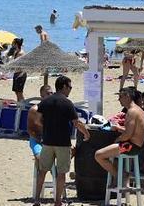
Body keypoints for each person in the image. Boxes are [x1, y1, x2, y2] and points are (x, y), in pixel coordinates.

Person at [36, 76, 90, 206]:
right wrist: (86, 133)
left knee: (42, 171)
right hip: (62, 143)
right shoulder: (67, 103)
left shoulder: (45, 101)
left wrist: (48, 127)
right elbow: (76, 123)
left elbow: (38, 120)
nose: (70, 90)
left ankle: (37, 199)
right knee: (61, 173)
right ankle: (58, 201)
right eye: (70, 87)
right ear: (64, 87)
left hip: (47, 142)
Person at [95, 87, 144, 188]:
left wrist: (117, 139)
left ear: (127, 96)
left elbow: (128, 135)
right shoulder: (138, 110)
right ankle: (120, 177)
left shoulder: (132, 111)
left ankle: (120, 176)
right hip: (136, 145)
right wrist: (119, 128)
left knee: (98, 155)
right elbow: (133, 131)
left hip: (131, 146)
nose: (119, 100)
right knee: (112, 154)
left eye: (120, 97)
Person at [27, 84, 53, 165]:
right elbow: (30, 129)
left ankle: (56, 174)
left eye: (52, 93)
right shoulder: (34, 110)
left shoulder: (55, 109)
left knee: (71, 150)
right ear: (42, 95)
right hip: (37, 139)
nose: (50, 95)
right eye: (48, 93)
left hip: (52, 140)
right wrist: (39, 139)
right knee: (41, 158)